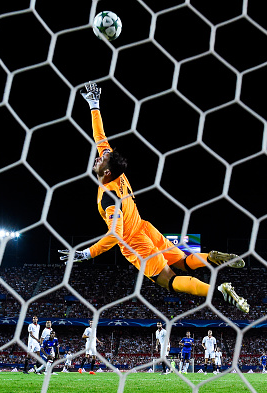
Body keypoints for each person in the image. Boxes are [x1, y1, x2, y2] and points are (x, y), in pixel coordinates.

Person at [58, 81, 249, 314]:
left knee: (169, 281)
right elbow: (100, 137)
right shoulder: (116, 173)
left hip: (135, 243)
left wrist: (87, 253)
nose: (98, 158)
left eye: (101, 159)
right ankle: (212, 257)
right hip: (146, 228)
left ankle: (218, 291)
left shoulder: (109, 198)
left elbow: (115, 235)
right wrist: (93, 104)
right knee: (182, 262)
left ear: (106, 172)